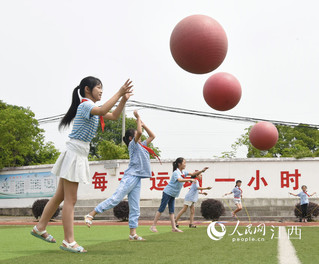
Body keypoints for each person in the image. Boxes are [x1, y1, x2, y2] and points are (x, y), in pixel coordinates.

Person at [31, 77, 133, 253]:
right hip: (75, 153)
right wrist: (119, 92)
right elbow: (103, 110)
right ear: (87, 89)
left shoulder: (90, 108)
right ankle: (68, 241)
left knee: (59, 197)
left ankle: (40, 228)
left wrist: (123, 98)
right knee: (70, 199)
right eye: (99, 88)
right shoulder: (86, 105)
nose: (101, 91)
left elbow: (114, 116)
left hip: (76, 152)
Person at [84, 110, 155, 241]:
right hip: (130, 177)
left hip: (137, 179)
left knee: (135, 207)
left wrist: (143, 125)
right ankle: (91, 214)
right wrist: (138, 117)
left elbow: (152, 136)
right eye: (135, 135)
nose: (139, 135)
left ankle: (133, 233)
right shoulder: (133, 145)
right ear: (131, 138)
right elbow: (139, 133)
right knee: (116, 199)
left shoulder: (143, 145)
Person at [150, 158, 208, 233]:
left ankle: (174, 228)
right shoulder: (176, 173)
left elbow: (193, 174)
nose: (185, 164)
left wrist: (202, 170)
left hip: (173, 194)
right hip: (167, 192)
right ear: (179, 164)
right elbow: (180, 180)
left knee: (172, 211)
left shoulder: (183, 172)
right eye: (184, 163)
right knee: (162, 208)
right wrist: (189, 180)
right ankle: (153, 226)